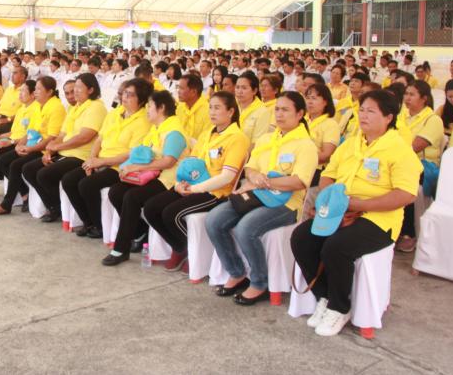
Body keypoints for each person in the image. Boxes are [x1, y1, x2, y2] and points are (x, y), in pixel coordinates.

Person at [291, 89, 422, 337]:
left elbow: (406, 194)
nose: (363, 115)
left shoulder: (399, 149)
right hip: (342, 210)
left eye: (371, 111)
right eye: (361, 110)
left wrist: (358, 206)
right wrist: (333, 205)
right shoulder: (351, 143)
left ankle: (340, 307)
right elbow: (328, 175)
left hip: (378, 219)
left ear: (388, 117)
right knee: (301, 237)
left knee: (336, 246)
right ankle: (324, 296)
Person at [205, 92, 318, 305]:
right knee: (214, 220)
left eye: (285, 110)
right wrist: (255, 177)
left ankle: (259, 282)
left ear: (300, 114)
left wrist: (263, 182)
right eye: (277, 109)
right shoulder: (267, 139)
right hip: (256, 195)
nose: (279, 114)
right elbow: (250, 168)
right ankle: (236, 272)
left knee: (245, 228)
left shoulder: (306, 145)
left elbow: (299, 182)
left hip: (286, 203)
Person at [144, 92, 249, 272]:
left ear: (231, 111)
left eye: (217, 108)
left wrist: (194, 189)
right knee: (151, 208)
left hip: (216, 192)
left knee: (171, 213)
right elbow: (190, 162)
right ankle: (180, 246)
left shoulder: (237, 138)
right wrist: (180, 183)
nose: (212, 112)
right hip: (192, 185)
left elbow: (227, 177)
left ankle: (188, 250)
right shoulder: (208, 134)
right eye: (210, 107)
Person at [102, 90, 188, 266]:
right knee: (116, 191)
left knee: (132, 196)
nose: (147, 110)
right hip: (150, 175)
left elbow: (168, 162)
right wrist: (127, 167)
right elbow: (142, 153)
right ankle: (139, 231)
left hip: (168, 179)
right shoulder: (155, 129)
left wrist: (137, 167)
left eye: (150, 106)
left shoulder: (174, 132)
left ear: (161, 108)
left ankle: (121, 249)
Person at [61, 78, 153, 238]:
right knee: (69, 180)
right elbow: (99, 139)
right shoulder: (115, 113)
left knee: (86, 185)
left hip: (120, 166)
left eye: (130, 95)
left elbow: (132, 154)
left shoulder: (144, 121)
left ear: (142, 99)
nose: (124, 97)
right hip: (100, 160)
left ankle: (99, 226)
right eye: (124, 93)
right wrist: (91, 160)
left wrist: (102, 162)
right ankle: (88, 222)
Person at [22, 73, 108, 222]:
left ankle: (63, 210)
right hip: (65, 152)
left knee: (45, 175)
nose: (75, 91)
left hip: (80, 155)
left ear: (91, 90)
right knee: (29, 169)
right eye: (75, 88)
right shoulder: (75, 107)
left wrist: (57, 147)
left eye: (79, 88)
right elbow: (62, 134)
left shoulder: (96, 107)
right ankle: (54, 206)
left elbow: (84, 137)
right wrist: (50, 150)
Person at [0, 76, 67, 215]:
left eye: (39, 89)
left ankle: (8, 204)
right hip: (34, 144)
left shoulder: (56, 107)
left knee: (17, 166)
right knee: (3, 160)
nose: (36, 92)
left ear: (49, 92)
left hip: (46, 149)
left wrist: (29, 148)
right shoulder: (39, 106)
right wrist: (20, 145)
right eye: (35, 89)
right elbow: (30, 132)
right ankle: (22, 195)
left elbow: (52, 138)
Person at [397, 80, 444, 252]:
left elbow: (414, 147)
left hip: (424, 165)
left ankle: (408, 232)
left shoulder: (433, 120)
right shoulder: (401, 116)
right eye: (406, 94)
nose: (407, 98)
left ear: (424, 98)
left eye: (412, 94)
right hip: (398, 161)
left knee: (405, 182)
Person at [0, 80, 40, 183]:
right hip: (11, 140)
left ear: (32, 94)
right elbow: (13, 132)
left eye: (23, 91)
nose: (20, 93)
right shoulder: (21, 109)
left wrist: (10, 142)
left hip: (21, 143)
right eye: (20, 91)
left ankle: (18, 186)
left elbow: (29, 135)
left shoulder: (36, 110)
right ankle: (8, 179)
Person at [304, 83, 340, 197]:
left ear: (325, 102)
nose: (309, 102)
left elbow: (326, 155)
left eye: (314, 98)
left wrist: (300, 157)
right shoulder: (301, 121)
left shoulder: (330, 124)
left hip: (315, 169)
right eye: (308, 98)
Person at [235, 73, 271, 148]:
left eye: (244, 88)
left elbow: (257, 143)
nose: (239, 91)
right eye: (237, 87)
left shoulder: (262, 112)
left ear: (254, 91)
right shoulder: (231, 107)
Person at [176, 74, 209, 144]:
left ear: (193, 92)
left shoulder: (208, 111)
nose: (178, 91)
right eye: (178, 88)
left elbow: (206, 140)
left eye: (181, 88)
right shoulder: (180, 107)